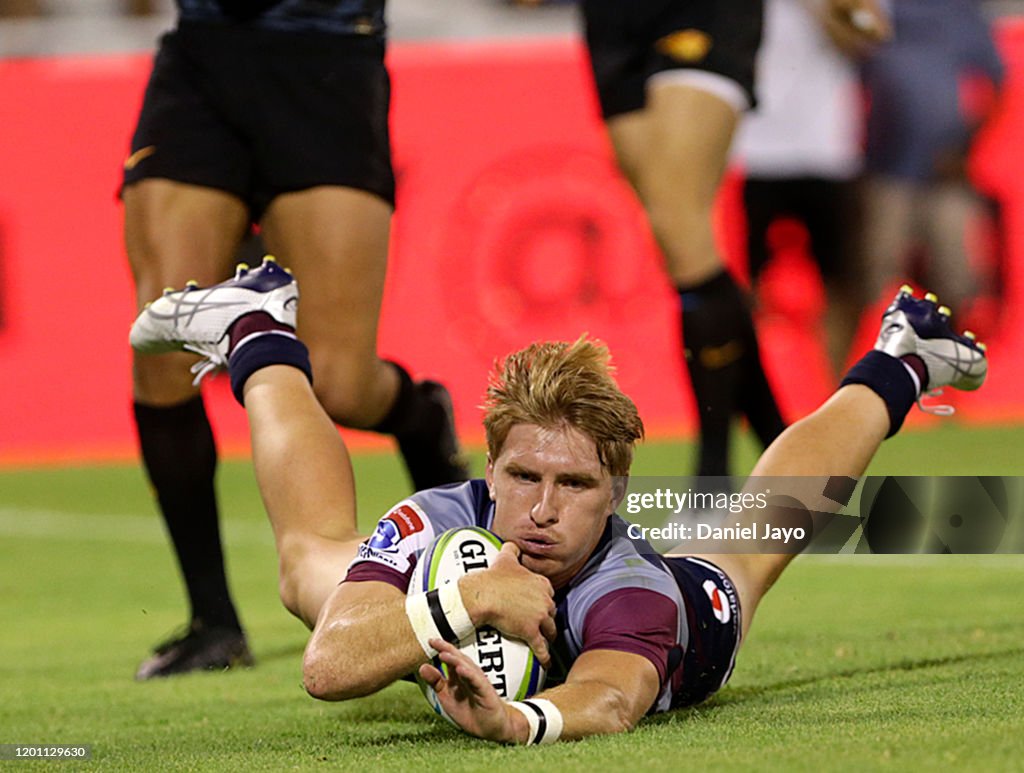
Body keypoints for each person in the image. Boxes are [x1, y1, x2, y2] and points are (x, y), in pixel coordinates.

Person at [129, 258, 987, 742]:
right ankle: (255, 326)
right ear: (488, 472)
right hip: (458, 593)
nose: (541, 506)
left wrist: (518, 720)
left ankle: (903, 357)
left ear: (613, 493)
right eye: (523, 476)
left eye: (574, 484)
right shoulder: (439, 516)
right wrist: (466, 598)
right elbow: (328, 667)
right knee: (306, 565)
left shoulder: (636, 589)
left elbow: (610, 697)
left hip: (686, 608)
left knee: (751, 538)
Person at [122, 1, 469, 680]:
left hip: (330, 50)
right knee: (163, 341)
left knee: (338, 382)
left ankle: (421, 417)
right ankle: (213, 620)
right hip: (203, 50)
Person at [576, 0, 890, 478]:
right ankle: (786, 458)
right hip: (613, 23)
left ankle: (713, 480)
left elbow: (867, 28)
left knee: (679, 225)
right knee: (681, 244)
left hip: (707, 14)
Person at [734, 0, 885, 376]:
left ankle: (833, 384)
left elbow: (870, 37)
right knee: (748, 284)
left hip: (827, 154)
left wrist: (821, 8)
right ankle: (747, 385)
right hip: (760, 153)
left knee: (839, 281)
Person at [859, 0, 1005, 315]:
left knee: (957, 274)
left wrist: (969, 148)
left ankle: (953, 357)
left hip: (946, 171)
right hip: (884, 166)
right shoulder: (877, 8)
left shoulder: (959, 10)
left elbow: (1000, 82)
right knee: (875, 272)